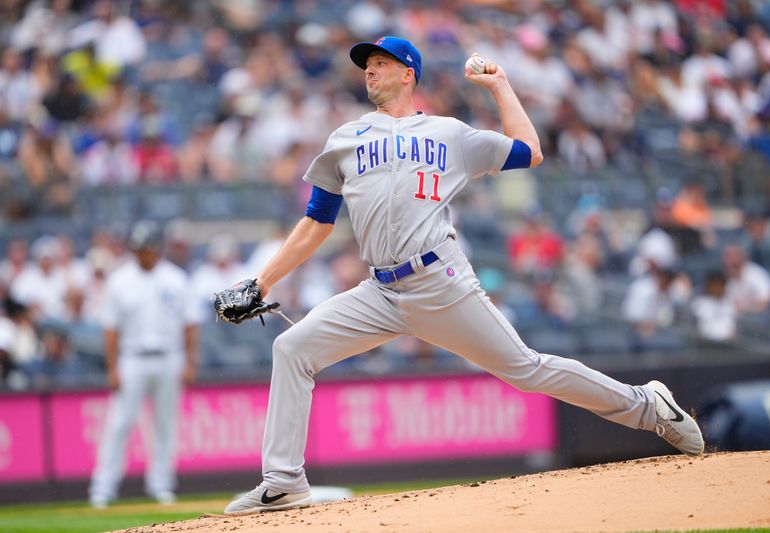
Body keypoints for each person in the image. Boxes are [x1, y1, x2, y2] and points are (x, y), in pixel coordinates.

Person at [216, 36, 704, 515]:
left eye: (381, 63)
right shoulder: (346, 139)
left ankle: (649, 406)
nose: (369, 70)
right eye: (366, 64)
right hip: (379, 291)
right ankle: (283, 482)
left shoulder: (449, 134)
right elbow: (316, 222)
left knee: (527, 370)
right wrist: (261, 283)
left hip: (440, 283)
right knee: (292, 348)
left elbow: (528, 151)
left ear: (409, 74)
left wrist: (501, 87)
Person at [88, 220, 199, 509]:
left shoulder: (175, 279)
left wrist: (189, 361)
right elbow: (110, 329)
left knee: (165, 425)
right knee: (119, 423)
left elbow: (190, 325)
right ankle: (103, 487)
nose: (143, 255)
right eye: (139, 250)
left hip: (168, 356)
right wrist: (112, 367)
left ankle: (161, 485)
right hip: (132, 358)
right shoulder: (120, 279)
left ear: (157, 249)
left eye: (148, 249)